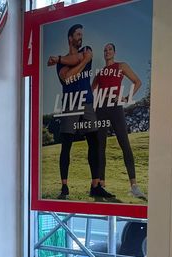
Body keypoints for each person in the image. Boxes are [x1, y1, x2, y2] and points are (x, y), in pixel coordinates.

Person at [47, 24, 115, 201]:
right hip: (70, 102)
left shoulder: (86, 50)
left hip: (87, 102)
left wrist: (61, 59)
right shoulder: (63, 63)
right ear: (70, 38)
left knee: (94, 142)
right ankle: (64, 186)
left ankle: (96, 186)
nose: (80, 37)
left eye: (81, 34)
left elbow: (75, 62)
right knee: (66, 144)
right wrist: (82, 62)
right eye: (77, 34)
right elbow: (68, 77)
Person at [92, 43, 146, 200]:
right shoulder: (100, 72)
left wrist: (125, 98)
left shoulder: (121, 66)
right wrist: (95, 104)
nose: (107, 52)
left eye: (109, 49)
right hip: (101, 108)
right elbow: (92, 89)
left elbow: (137, 82)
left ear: (114, 52)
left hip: (115, 106)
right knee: (100, 145)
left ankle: (134, 186)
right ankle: (101, 185)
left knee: (124, 143)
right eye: (105, 50)